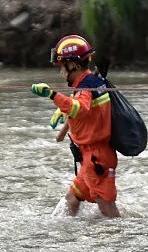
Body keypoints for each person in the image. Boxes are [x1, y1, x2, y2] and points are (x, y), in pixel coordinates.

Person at [31, 34, 119, 217]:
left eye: (62, 67)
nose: (61, 73)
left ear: (74, 65)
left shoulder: (86, 87)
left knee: (107, 209)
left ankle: (123, 239)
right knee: (72, 199)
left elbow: (80, 108)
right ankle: (67, 239)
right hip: (92, 157)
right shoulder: (92, 82)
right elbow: (83, 109)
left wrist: (51, 94)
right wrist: (64, 111)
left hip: (97, 158)